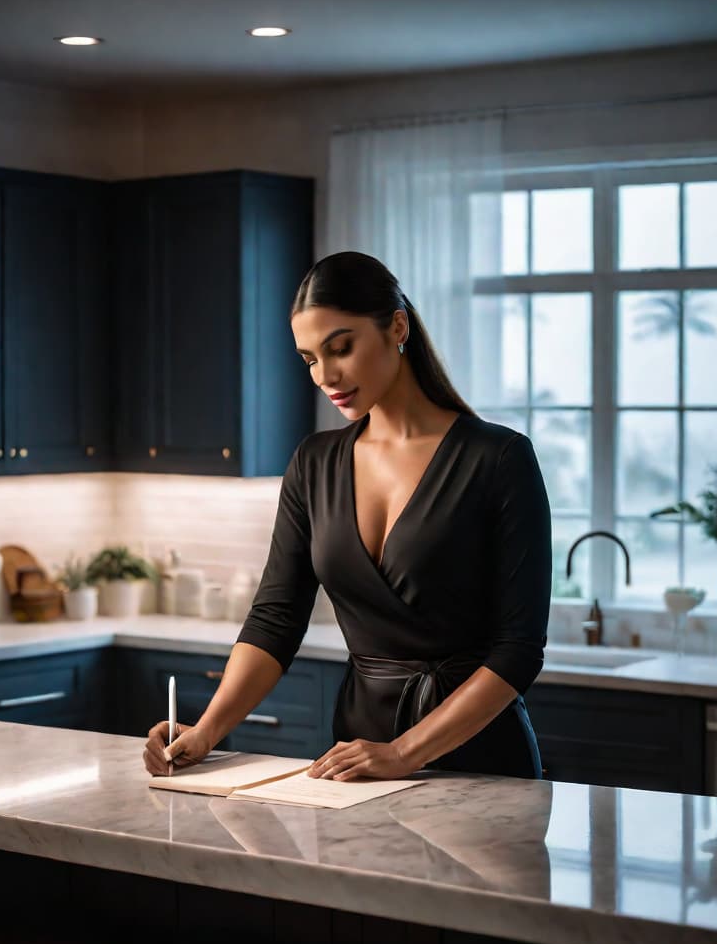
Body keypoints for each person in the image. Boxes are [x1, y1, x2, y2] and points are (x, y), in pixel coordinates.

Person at [143, 251, 552, 782]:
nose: (325, 375)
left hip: (480, 757)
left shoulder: (498, 458)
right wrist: (205, 731)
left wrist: (405, 753)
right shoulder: (314, 463)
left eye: (341, 348)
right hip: (354, 757)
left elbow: (519, 652)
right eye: (310, 358)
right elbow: (275, 619)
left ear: (397, 326)